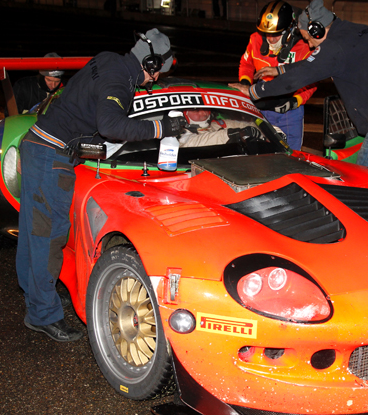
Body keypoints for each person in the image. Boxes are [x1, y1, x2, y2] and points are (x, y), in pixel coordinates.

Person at [15, 29, 186, 342]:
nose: (157, 76)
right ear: (151, 64)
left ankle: (37, 294)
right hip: (51, 155)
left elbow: (88, 108)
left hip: (38, 145)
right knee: (48, 236)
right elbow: (110, 124)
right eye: (159, 70)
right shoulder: (119, 82)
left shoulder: (109, 60)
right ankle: (42, 314)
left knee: (33, 232)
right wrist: (161, 127)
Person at [230, 0, 368, 178]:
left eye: (308, 38)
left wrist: (254, 92)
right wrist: (280, 69)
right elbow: (313, 65)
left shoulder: (334, 47)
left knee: (365, 180)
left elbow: (298, 78)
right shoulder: (356, 31)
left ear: (317, 29)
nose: (309, 45)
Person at [238, 0, 316, 151]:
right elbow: (246, 64)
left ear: (289, 30)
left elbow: (312, 80)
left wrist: (295, 101)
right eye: (267, 33)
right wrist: (245, 84)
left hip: (289, 108)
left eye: (276, 34)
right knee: (259, 151)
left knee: (290, 153)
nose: (270, 39)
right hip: (261, 101)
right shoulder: (255, 39)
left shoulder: (304, 47)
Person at [177, 109, 262, 147]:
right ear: (184, 113)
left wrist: (259, 131)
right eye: (196, 110)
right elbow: (197, 142)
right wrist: (235, 134)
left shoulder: (218, 124)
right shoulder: (178, 133)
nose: (204, 113)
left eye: (205, 108)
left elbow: (252, 126)